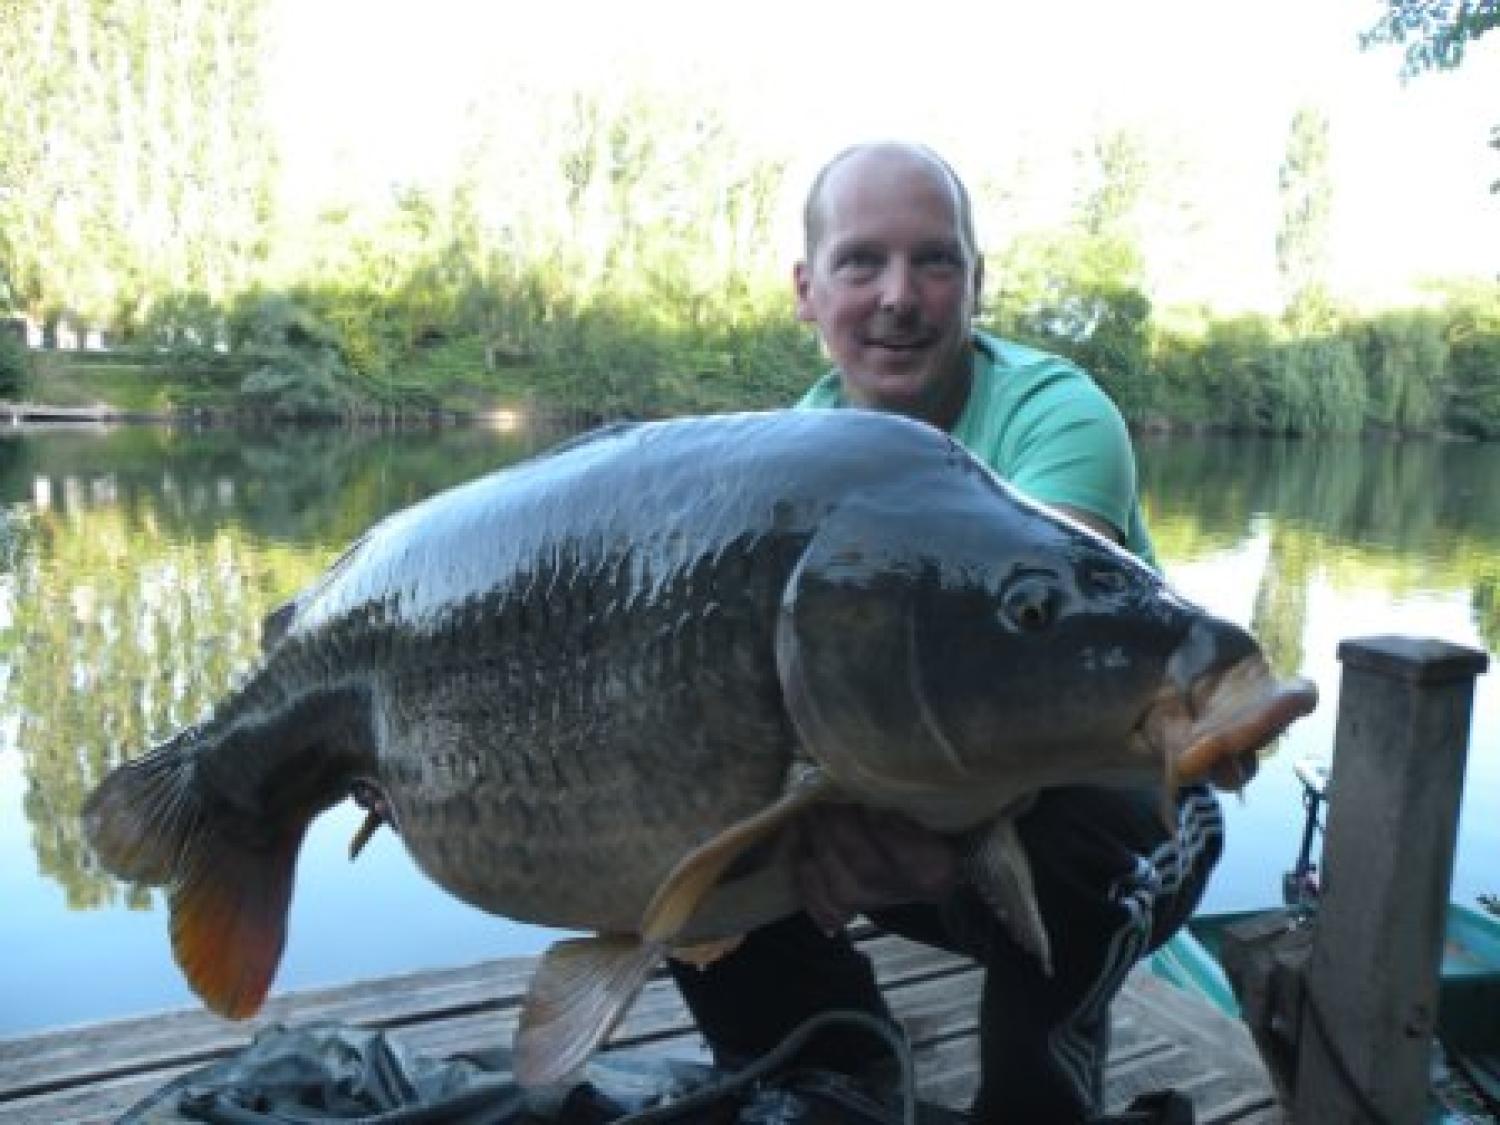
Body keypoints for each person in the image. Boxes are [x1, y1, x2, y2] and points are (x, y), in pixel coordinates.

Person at [666, 142, 1225, 1124]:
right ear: (807, 290)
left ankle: (1038, 1095)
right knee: (684, 836)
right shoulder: (784, 458)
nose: (899, 296)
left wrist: (935, 842)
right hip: (873, 820)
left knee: (1069, 856)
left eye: (934, 261)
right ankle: (831, 1064)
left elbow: (1033, 664)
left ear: (977, 283)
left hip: (1111, 809)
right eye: (860, 262)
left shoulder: (1058, 412)